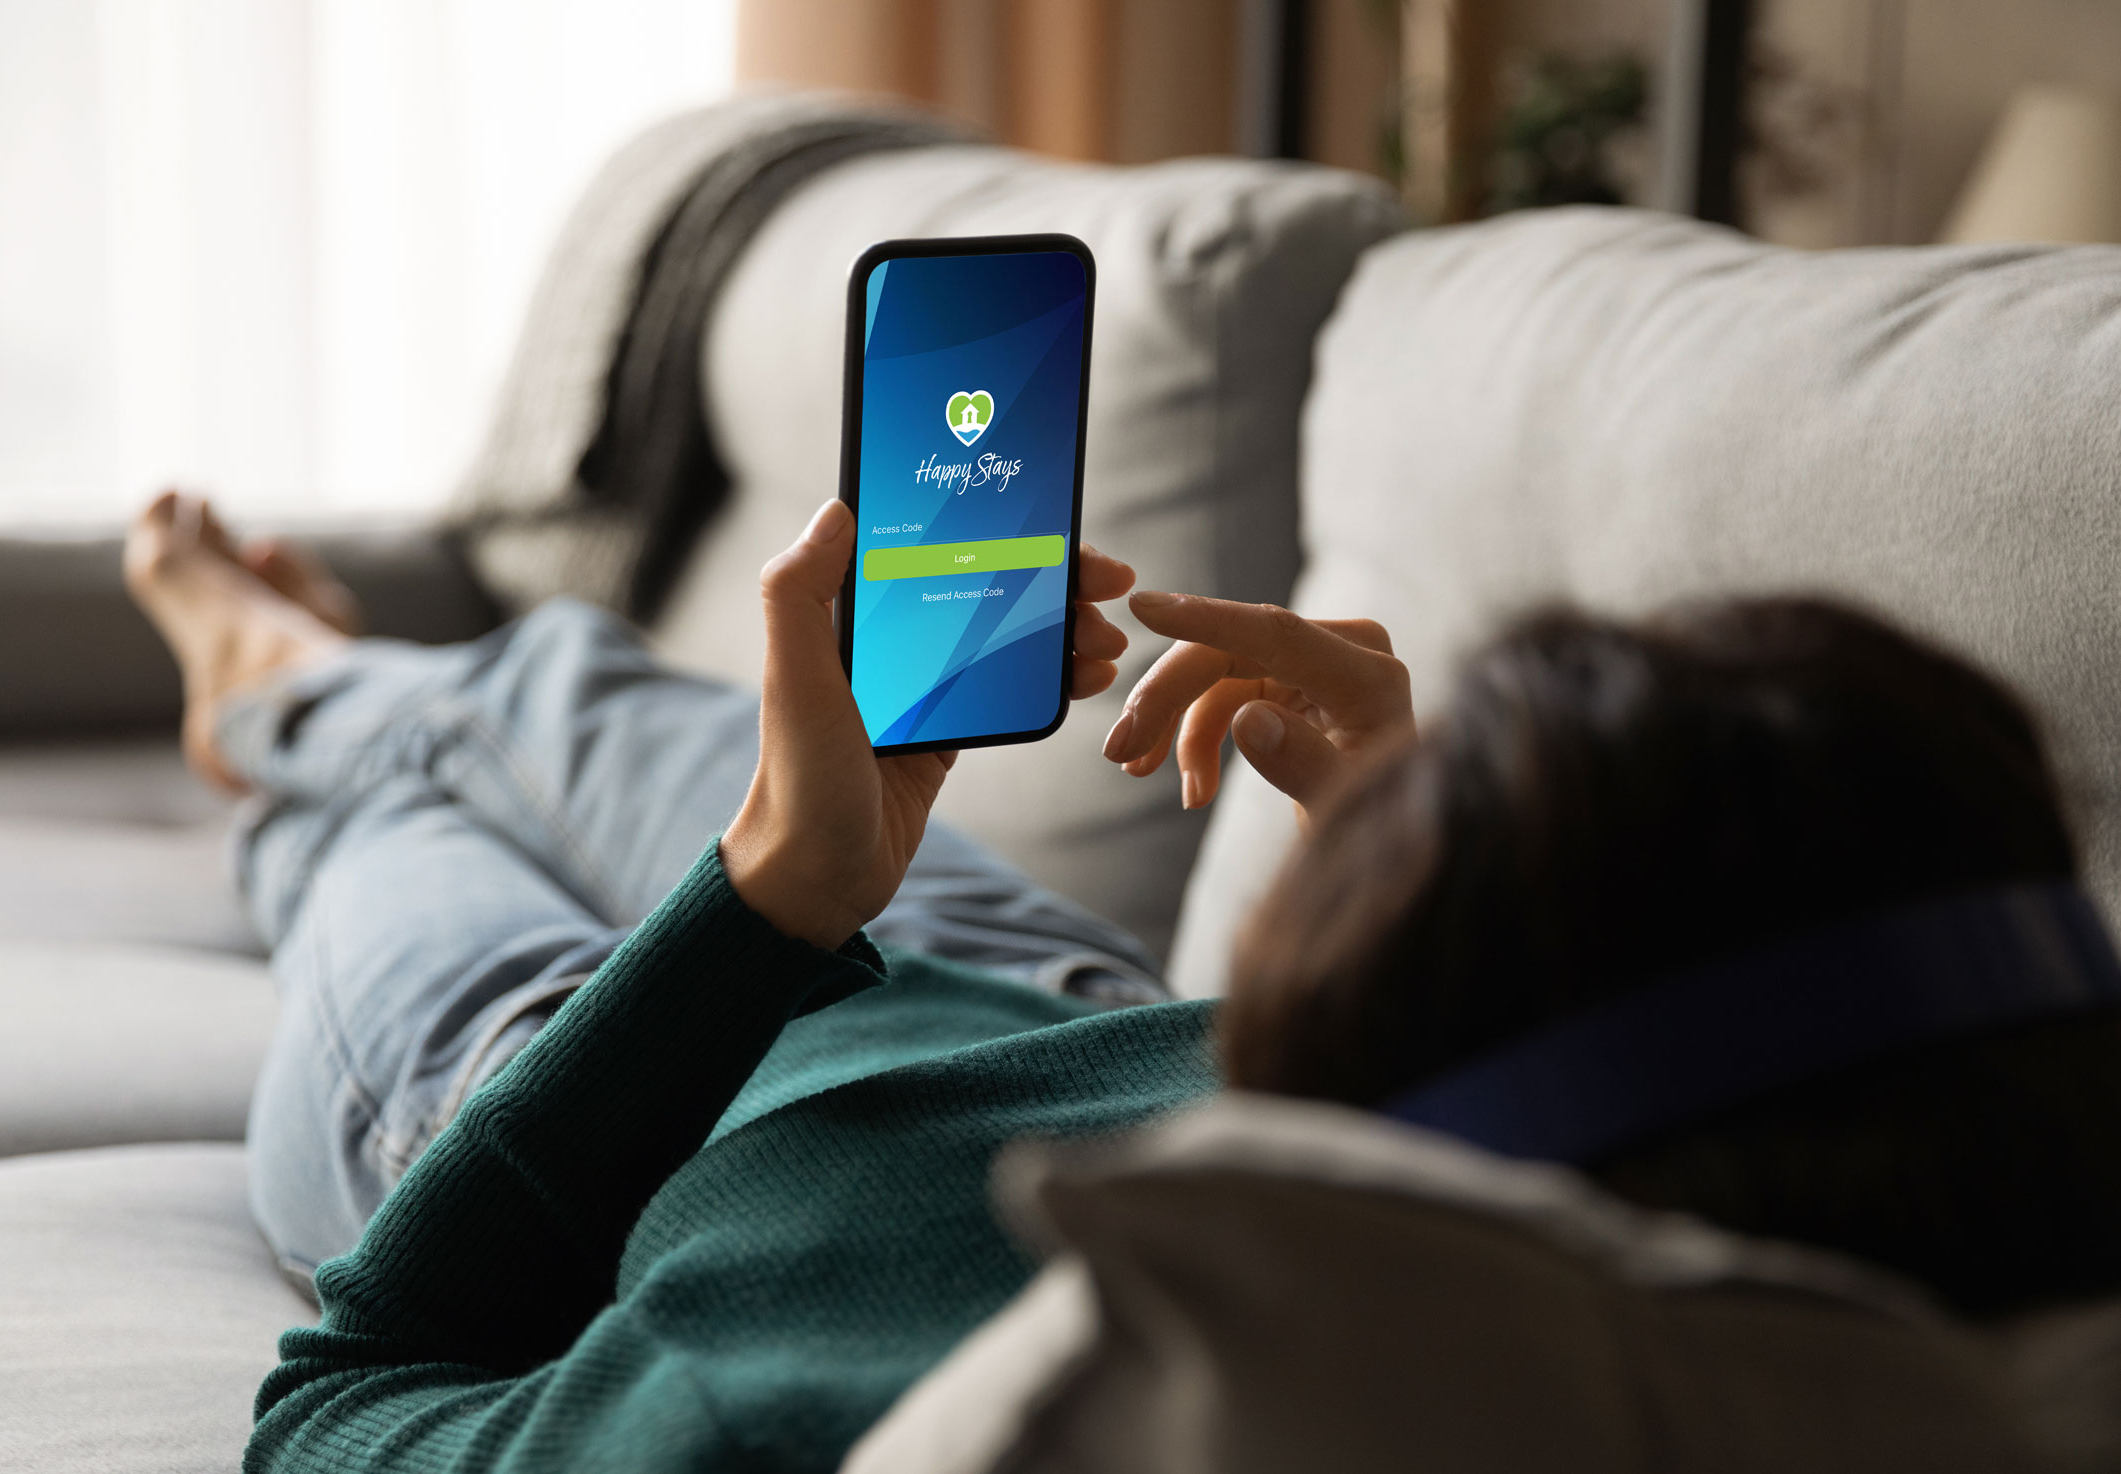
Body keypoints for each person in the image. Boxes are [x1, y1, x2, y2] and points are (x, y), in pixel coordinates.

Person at [123, 487, 2121, 1474]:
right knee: (576, 676)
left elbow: (342, 1404)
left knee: (393, 832)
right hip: (1048, 991)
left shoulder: (778, 1412)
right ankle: (332, 689)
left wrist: (767, 898)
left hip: (587, 1085)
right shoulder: (1881, 1133)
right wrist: (1411, 859)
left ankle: (265, 684)